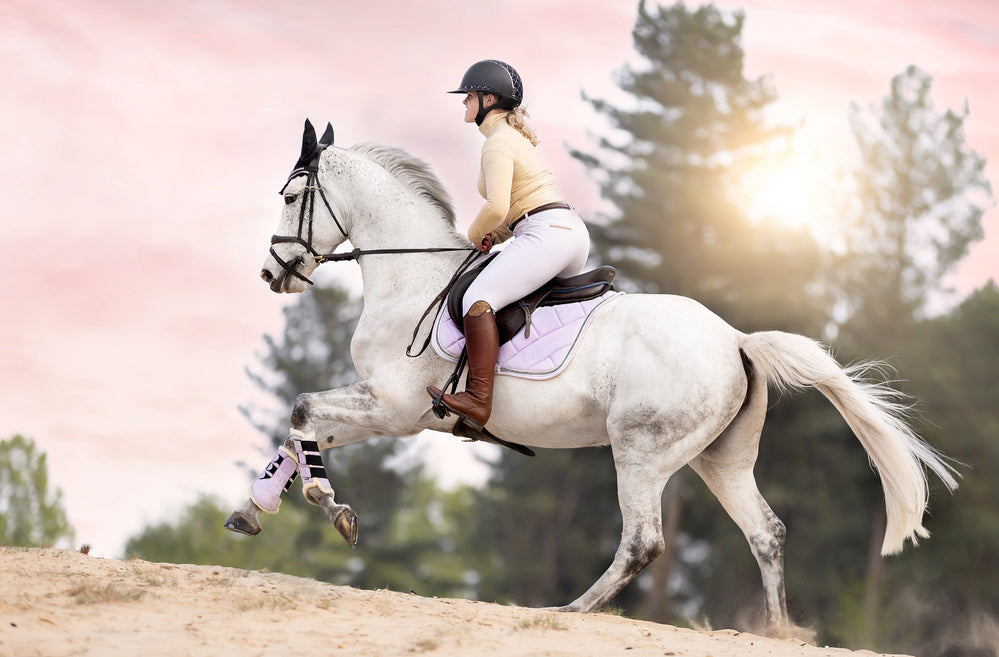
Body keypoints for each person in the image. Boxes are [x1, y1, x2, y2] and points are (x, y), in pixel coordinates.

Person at [428, 59, 591, 430]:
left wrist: (474, 234)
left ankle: (478, 399)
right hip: (563, 232)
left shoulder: (497, 143)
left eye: (468, 96)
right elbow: (518, 207)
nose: (464, 102)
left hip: (545, 233)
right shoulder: (512, 138)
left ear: (488, 99)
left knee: (477, 300)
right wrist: (498, 235)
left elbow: (497, 206)